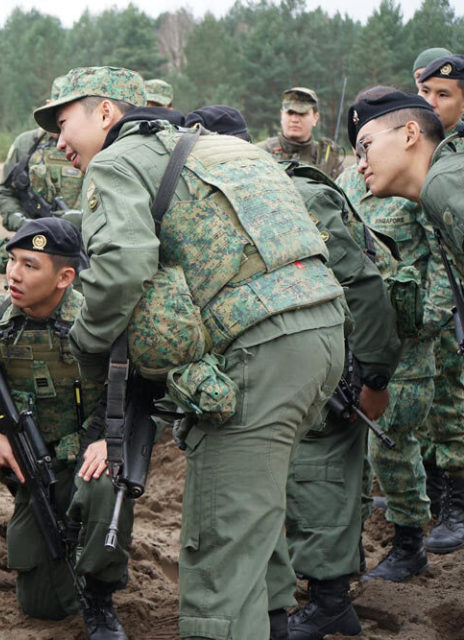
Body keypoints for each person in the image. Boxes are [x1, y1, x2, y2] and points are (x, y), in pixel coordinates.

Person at [34, 66, 346, 640]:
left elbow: (123, 268)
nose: (58, 141)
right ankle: (273, 622)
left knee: (220, 543)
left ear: (105, 113)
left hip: (258, 351)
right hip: (323, 337)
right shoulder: (220, 147)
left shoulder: (116, 162)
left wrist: (85, 340)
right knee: (256, 513)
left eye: (62, 122)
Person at [192, 103, 402, 639]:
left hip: (333, 363)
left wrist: (374, 377)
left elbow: (364, 284)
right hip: (292, 357)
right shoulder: (223, 202)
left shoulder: (295, 194)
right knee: (286, 480)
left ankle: (331, 600)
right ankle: (305, 597)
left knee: (320, 476)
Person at [0, 217, 132, 640]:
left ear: (65, 277)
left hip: (86, 456)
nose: (14, 274)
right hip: (32, 468)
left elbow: (131, 389)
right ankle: (86, 560)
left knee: (105, 484)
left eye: (30, 265)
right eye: (12, 261)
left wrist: (107, 440)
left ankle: (101, 597)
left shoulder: (94, 323)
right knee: (43, 606)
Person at [349, 84, 464, 559]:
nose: (360, 163)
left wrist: (430, 320)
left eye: (368, 146)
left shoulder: (445, 185)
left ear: (411, 133)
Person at [415, 54, 464, 555]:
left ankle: (457, 503)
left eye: (443, 94)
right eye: (424, 93)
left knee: (453, 399)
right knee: (433, 402)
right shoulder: (426, 150)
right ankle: (434, 490)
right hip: (434, 296)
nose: (430, 104)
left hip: (451, 300)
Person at [258, 87, 344, 178]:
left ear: (315, 118)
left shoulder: (327, 160)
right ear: (282, 115)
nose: (294, 120)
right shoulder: (260, 153)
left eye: (302, 114)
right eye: (290, 113)